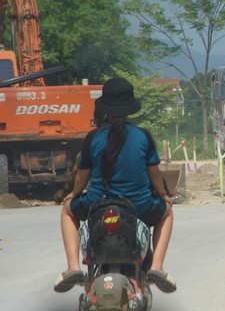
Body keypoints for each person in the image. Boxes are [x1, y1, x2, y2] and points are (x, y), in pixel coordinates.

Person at [54, 77, 177, 294]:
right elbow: (155, 174)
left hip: (98, 205)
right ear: (129, 109)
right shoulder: (143, 137)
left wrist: (72, 195)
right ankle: (157, 266)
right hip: (138, 206)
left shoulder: (94, 137)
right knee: (166, 213)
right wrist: (163, 194)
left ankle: (73, 267)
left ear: (105, 109)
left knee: (66, 211)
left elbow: (82, 176)